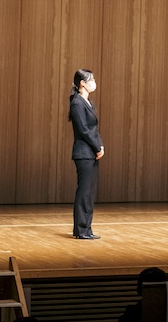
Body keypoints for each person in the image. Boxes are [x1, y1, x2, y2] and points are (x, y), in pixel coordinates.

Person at [68, 68, 105, 240]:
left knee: (89, 192)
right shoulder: (77, 103)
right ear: (82, 83)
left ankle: (87, 228)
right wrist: (97, 147)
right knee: (84, 192)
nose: (93, 82)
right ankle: (81, 230)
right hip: (84, 153)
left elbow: (93, 129)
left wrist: (100, 145)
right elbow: (83, 130)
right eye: (91, 79)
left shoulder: (88, 102)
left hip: (91, 152)